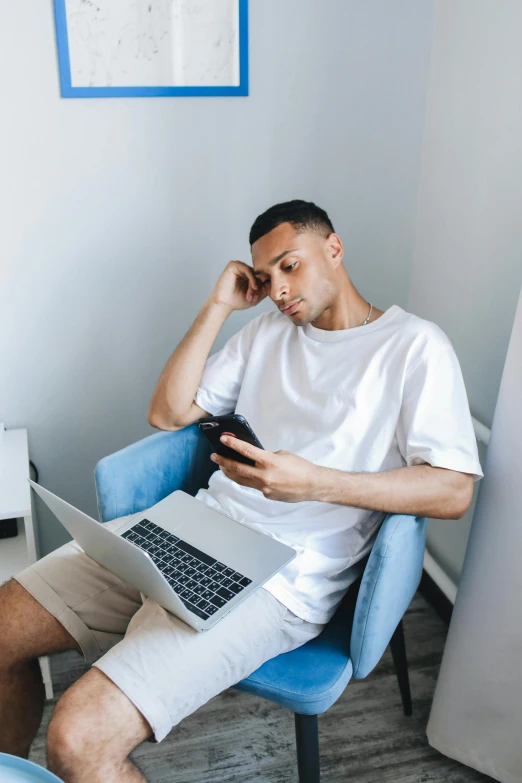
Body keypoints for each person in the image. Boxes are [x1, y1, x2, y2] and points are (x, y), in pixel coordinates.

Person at [0, 200, 483, 782]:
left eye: (290, 266)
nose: (278, 290)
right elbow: (167, 411)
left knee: (78, 739)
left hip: (280, 578)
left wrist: (313, 482)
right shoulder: (268, 332)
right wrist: (218, 306)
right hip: (187, 531)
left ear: (334, 249)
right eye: (266, 276)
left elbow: (453, 491)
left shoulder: (414, 347)